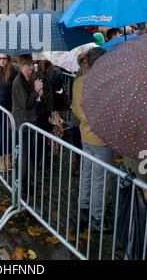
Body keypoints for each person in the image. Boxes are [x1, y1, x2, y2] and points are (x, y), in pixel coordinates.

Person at [72, 47, 113, 233]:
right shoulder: (103, 84)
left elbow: (75, 109)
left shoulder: (79, 81)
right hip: (101, 139)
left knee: (87, 175)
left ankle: (84, 210)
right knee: (100, 180)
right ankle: (97, 219)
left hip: (84, 135)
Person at [11, 54, 43, 191]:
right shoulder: (19, 81)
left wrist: (37, 92)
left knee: (26, 154)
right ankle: (23, 184)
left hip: (27, 121)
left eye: (32, 65)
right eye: (29, 65)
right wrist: (36, 91)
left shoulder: (26, 79)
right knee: (24, 155)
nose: (32, 67)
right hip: (23, 123)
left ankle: (24, 182)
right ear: (22, 66)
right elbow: (25, 103)